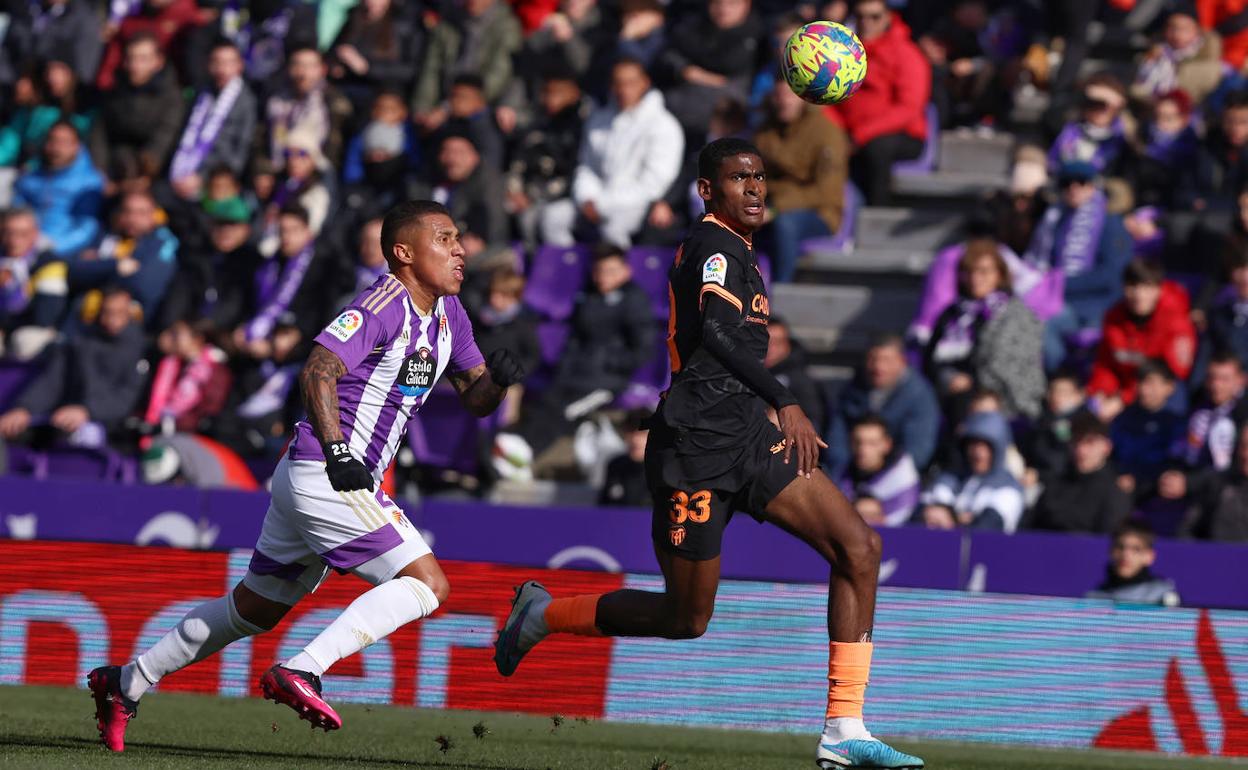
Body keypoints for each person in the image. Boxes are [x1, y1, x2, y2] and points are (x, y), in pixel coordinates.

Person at [492, 138, 923, 770]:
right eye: (738, 178)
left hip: (748, 437)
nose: (754, 188)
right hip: (695, 449)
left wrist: (768, 410)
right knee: (685, 617)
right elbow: (718, 334)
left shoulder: (744, 251)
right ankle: (544, 614)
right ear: (707, 190)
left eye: (760, 178)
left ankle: (843, 729)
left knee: (858, 548)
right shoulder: (711, 246)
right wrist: (788, 400)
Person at [86, 200, 526, 752]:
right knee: (427, 584)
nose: (460, 249)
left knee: (255, 608)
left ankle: (127, 681)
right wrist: (340, 451)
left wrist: (499, 384)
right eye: (445, 238)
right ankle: (304, 669)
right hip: (330, 471)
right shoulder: (382, 302)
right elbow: (319, 366)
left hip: (313, 476)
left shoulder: (448, 315)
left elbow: (475, 396)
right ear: (404, 253)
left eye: (459, 238)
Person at [497, 246, 655, 469]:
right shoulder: (588, 296)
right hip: (574, 374)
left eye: (610, 271)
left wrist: (607, 363)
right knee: (546, 402)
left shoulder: (635, 301)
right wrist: (566, 364)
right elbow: (575, 338)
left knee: (566, 411)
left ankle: (523, 455)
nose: (603, 277)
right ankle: (513, 449)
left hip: (606, 381)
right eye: (599, 271)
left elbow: (643, 349)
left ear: (625, 271)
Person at [542, 57, 684, 248]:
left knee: (613, 229)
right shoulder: (598, 120)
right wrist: (587, 197)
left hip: (636, 206)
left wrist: (603, 204)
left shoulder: (663, 125)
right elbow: (587, 166)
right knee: (553, 217)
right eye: (618, 83)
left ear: (644, 83)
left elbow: (654, 183)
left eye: (630, 83)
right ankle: (569, 270)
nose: (624, 90)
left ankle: (617, 275)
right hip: (594, 201)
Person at [0, 286, 146, 447]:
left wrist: (88, 411)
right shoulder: (79, 343)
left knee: (76, 438)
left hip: (108, 427)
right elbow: (52, 382)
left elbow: (126, 399)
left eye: (119, 313)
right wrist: (24, 409)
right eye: (106, 312)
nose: (112, 319)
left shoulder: (138, 349)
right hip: (63, 415)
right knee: (16, 433)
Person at [1027, 160, 1134, 372]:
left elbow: (1112, 275)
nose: (1074, 189)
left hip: (1096, 306)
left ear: (1093, 186)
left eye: (1081, 182)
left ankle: (1060, 380)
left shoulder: (1110, 223)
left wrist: (1058, 283)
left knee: (1044, 326)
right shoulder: (1054, 220)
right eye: (1067, 183)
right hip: (1056, 299)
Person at [922, 239, 1045, 420]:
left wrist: (971, 383)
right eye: (968, 272)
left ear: (1000, 274)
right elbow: (931, 359)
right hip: (951, 395)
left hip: (1002, 400)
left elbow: (1007, 366)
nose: (975, 279)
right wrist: (948, 377)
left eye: (984, 272)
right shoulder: (953, 313)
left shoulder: (1014, 313)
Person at [825, 0, 931, 206]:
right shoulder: (844, 53)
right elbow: (830, 99)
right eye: (860, 16)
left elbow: (908, 109)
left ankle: (877, 212)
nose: (866, 23)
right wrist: (836, 132)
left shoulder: (906, 54)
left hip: (899, 135)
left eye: (874, 17)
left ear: (888, 17)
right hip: (850, 134)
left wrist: (860, 135)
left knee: (877, 148)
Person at [753, 79, 849, 284]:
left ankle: (781, 293)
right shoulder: (765, 131)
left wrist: (776, 208)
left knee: (785, 224)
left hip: (818, 212)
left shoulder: (827, 132)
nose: (784, 102)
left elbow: (826, 192)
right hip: (769, 206)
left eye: (790, 95)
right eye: (779, 95)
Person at [1086, 260, 1195, 417]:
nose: (1139, 295)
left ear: (1159, 289)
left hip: (1159, 390)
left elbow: (1175, 372)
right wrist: (1101, 392)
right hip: (1124, 387)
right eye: (1132, 287)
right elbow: (1106, 362)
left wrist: (1124, 399)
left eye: (1147, 287)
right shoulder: (1114, 318)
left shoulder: (1176, 319)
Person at [826, 333, 940, 476]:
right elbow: (837, 438)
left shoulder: (919, 396)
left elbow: (918, 450)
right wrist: (844, 473)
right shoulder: (852, 389)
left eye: (886, 360)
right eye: (873, 359)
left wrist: (881, 480)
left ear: (902, 361)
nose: (878, 367)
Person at [88, 32, 186, 185]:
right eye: (131, 58)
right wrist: (99, 172)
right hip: (115, 168)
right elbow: (100, 134)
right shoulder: (114, 93)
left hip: (155, 174)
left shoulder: (172, 97)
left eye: (143, 59)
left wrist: (148, 168)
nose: (135, 65)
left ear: (158, 62)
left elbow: (166, 136)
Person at [167, 41, 257, 194]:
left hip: (216, 179)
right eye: (217, 62)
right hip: (181, 172)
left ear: (239, 65)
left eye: (228, 62)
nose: (222, 69)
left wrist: (203, 177)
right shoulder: (200, 95)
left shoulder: (246, 102)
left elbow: (240, 151)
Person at [920, 409, 1024, 533]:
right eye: (973, 445)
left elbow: (985, 529)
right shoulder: (949, 479)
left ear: (998, 449)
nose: (977, 453)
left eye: (985, 446)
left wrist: (951, 519)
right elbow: (919, 515)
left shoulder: (1008, 489)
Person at [1028, 413, 1132, 534]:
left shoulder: (1114, 492)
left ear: (1107, 447)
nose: (1081, 450)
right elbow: (1033, 527)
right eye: (1076, 442)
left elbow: (1108, 541)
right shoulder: (1055, 484)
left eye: (1090, 443)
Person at [13, 121, 103, 258]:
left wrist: (52, 247)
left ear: (77, 146)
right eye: (52, 140)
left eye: (64, 142)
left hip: (63, 255)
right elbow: (16, 212)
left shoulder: (90, 183)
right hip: (22, 249)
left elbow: (87, 228)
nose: (56, 148)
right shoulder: (30, 177)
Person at [259, 46, 353, 173]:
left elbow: (335, 149)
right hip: (282, 170)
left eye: (309, 66)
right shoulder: (277, 101)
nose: (302, 73)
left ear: (323, 69)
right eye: (297, 65)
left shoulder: (334, 103)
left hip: (320, 174)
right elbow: (269, 137)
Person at [1111, 360, 1185, 500]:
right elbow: (1112, 452)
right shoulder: (1124, 418)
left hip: (1154, 490)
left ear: (1169, 387)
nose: (1145, 390)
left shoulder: (1176, 424)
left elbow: (1173, 461)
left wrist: (1137, 478)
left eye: (1152, 383)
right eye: (1142, 382)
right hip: (1118, 484)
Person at [836, 416, 921, 527]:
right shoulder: (842, 474)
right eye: (858, 442)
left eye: (872, 443)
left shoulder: (904, 482)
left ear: (887, 445)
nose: (863, 450)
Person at [1047, 73, 1130, 177]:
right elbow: (1055, 109)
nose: (1100, 109)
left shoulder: (1124, 135)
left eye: (1107, 105)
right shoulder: (1070, 128)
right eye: (1094, 103)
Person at [1086, 521, 1180, 606]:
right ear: (1111, 551)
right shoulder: (1094, 598)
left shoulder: (1163, 596)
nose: (1125, 554)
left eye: (1136, 549)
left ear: (1149, 556)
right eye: (1120, 547)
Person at [766, 316, 826, 435]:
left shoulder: (801, 380)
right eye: (766, 342)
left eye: (777, 343)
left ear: (788, 344)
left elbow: (815, 422)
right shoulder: (743, 371)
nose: (771, 349)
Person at [599, 409, 652, 507]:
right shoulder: (615, 466)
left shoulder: (664, 469)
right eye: (630, 432)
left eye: (641, 433)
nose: (634, 440)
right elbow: (603, 507)